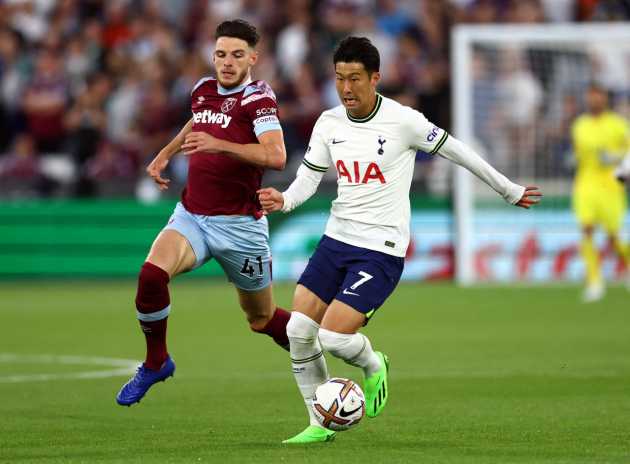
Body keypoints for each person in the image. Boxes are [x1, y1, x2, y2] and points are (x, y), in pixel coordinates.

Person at [258, 36, 542, 444]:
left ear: (375, 77)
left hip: (380, 249)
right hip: (336, 240)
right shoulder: (329, 122)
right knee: (299, 331)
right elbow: (308, 179)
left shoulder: (404, 121)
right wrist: (284, 199)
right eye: (339, 78)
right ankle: (320, 423)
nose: (346, 88)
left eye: (355, 78)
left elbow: (457, 151)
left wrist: (506, 189)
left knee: (334, 337)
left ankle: (374, 364)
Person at [116, 19, 291, 406]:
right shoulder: (203, 89)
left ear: (253, 58)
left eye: (237, 55)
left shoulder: (258, 99)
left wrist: (219, 145)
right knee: (150, 276)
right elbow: (200, 120)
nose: (227, 63)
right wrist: (166, 152)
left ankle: (323, 344)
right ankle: (156, 361)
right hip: (192, 214)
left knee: (261, 319)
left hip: (239, 227)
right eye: (221, 54)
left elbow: (276, 156)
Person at [571, 83, 630, 302]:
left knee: (614, 236)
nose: (594, 100)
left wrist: (616, 158)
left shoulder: (618, 125)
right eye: (590, 96)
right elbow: (580, 153)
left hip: (611, 185)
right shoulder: (580, 125)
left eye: (598, 96)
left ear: (605, 98)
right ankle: (594, 282)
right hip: (585, 184)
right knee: (586, 230)